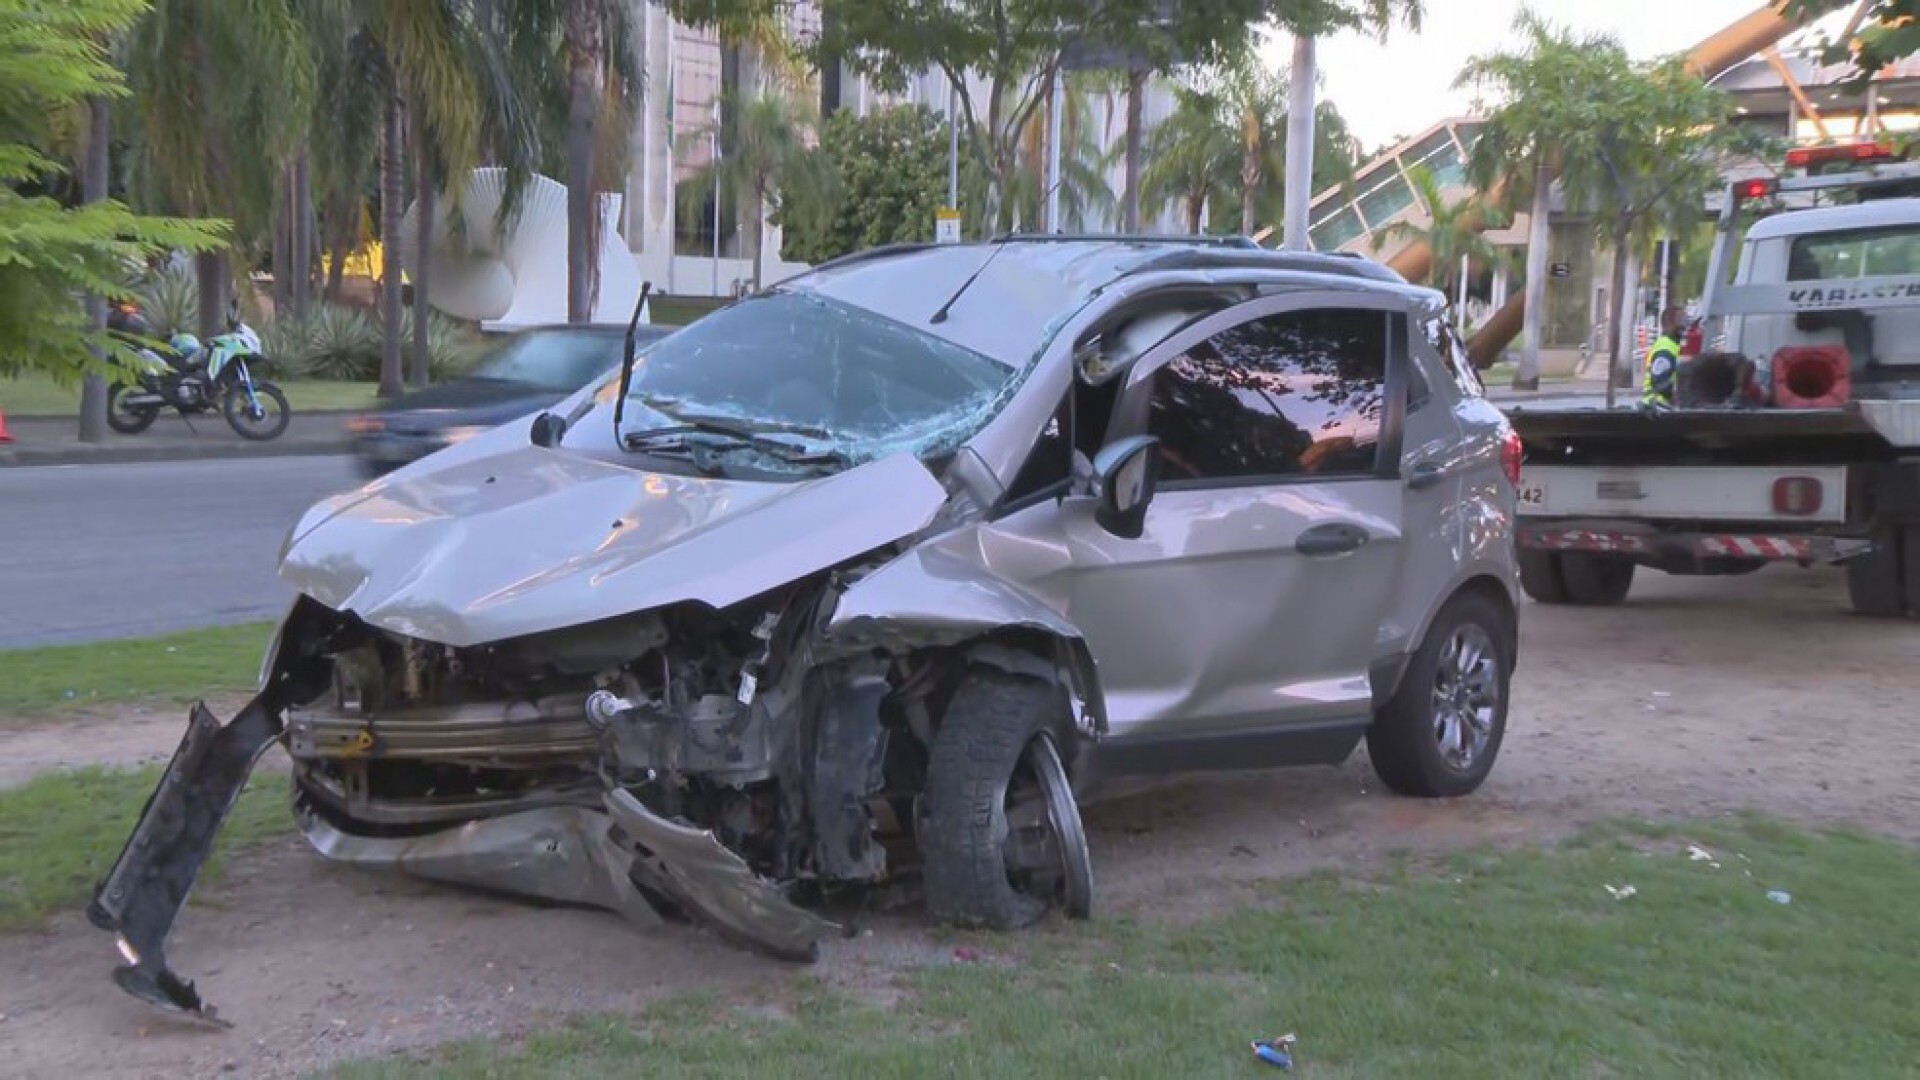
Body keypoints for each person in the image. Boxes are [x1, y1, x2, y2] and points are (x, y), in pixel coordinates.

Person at [1641, 305, 1686, 409]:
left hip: (1663, 407)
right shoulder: (1665, 347)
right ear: (1669, 323)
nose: (1684, 325)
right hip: (1657, 407)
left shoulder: (1673, 345)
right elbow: (1660, 382)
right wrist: (1679, 398)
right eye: (1680, 320)